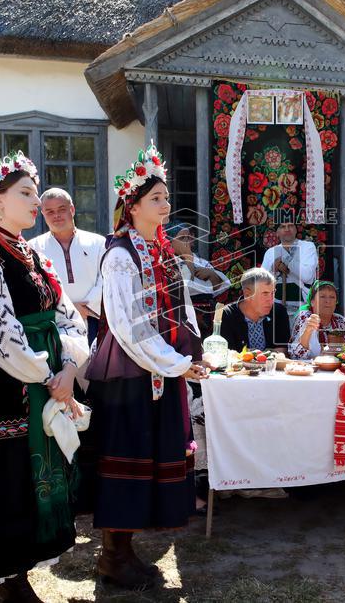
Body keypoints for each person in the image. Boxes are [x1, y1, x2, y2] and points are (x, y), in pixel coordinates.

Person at [0, 152, 89, 601]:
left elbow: (69, 317)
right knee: (0, 487)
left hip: (45, 384)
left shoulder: (31, 254)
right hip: (2, 394)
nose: (36, 202)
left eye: (36, 193)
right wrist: (49, 374)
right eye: (26, 193)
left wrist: (69, 368)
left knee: (31, 488)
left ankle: (16, 577)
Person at [84, 144, 208, 587]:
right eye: (156, 198)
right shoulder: (120, 255)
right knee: (128, 464)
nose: (166, 204)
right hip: (132, 376)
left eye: (166, 196)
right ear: (132, 205)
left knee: (151, 461)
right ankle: (113, 555)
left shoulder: (162, 251)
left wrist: (193, 354)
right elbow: (127, 326)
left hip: (162, 371)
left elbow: (184, 307)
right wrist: (175, 363)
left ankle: (124, 551)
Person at [28, 187, 105, 344]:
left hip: (94, 318)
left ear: (72, 209)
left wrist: (87, 308)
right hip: (57, 322)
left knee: (98, 366)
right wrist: (68, 310)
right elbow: (35, 289)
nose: (56, 215)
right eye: (49, 211)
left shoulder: (98, 242)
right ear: (42, 214)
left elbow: (106, 277)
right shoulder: (33, 248)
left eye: (61, 209)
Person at [167, 221, 231, 336]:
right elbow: (185, 287)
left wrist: (212, 275)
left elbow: (223, 285)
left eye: (188, 237)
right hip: (182, 316)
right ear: (170, 242)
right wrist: (188, 260)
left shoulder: (200, 261)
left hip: (206, 316)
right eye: (182, 238)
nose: (187, 242)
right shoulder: (167, 264)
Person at [218, 268, 291, 351]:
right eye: (265, 293)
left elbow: (283, 351)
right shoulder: (227, 314)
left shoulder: (279, 312)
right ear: (247, 294)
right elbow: (227, 354)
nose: (271, 299)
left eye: (273, 293)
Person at [260, 216, 318, 321]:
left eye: (290, 225)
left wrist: (286, 259)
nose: (287, 229)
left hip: (302, 307)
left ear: (296, 229)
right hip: (276, 307)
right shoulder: (270, 252)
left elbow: (307, 276)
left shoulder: (307, 247)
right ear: (277, 232)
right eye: (282, 226)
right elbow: (261, 282)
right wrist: (273, 269)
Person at [288, 280, 345, 360]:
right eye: (322, 296)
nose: (328, 301)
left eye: (332, 297)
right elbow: (295, 355)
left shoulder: (340, 321)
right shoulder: (305, 317)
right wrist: (308, 330)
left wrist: (340, 346)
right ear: (312, 302)